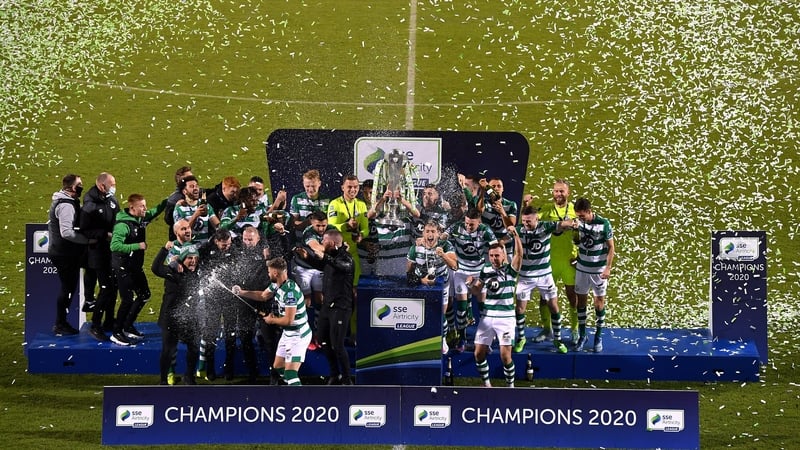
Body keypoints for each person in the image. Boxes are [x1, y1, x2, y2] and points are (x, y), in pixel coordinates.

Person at [234, 258, 311, 386]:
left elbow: (288, 320)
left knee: (291, 373)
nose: (268, 274)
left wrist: (272, 320)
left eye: (269, 272)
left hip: (298, 335)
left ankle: (300, 403)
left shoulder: (290, 293)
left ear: (275, 273)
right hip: (288, 334)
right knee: (278, 366)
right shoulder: (277, 284)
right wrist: (241, 292)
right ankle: (293, 388)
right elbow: (263, 296)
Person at [297, 229, 355, 385]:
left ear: (332, 242)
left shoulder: (347, 257)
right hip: (327, 306)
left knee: (337, 344)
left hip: (341, 307)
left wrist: (326, 256)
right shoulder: (331, 257)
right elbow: (321, 264)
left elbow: (342, 266)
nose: (322, 243)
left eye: (324, 241)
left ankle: (347, 378)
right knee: (322, 341)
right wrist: (307, 257)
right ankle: (334, 374)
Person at [513, 206, 573, 354]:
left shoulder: (545, 227)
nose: (526, 224)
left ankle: (557, 339)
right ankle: (521, 338)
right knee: (520, 309)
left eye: (529, 221)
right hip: (525, 276)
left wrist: (573, 223)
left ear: (537, 219)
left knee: (553, 306)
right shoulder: (519, 230)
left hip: (545, 275)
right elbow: (503, 238)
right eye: (524, 221)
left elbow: (562, 224)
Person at [467, 227, 523, 387]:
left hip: (505, 319)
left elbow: (519, 255)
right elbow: (477, 291)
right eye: (491, 256)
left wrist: (516, 235)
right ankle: (487, 385)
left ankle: (510, 387)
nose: (493, 259)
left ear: (504, 255)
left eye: (497, 255)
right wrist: (471, 284)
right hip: (487, 317)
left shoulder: (511, 270)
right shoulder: (486, 269)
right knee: (478, 354)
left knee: (506, 357)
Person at [109, 193, 167, 346]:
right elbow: (114, 246)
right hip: (123, 266)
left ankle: (127, 325)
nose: (145, 209)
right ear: (132, 207)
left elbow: (154, 211)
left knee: (144, 294)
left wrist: (168, 200)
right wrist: (137, 246)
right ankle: (116, 332)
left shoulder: (140, 219)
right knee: (127, 299)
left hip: (134, 266)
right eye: (142, 206)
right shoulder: (123, 225)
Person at [444, 207, 497, 352]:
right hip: (461, 271)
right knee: (461, 308)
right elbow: (443, 236)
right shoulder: (457, 226)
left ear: (479, 222)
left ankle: (486, 339)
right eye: (466, 223)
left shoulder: (485, 230)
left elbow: (495, 249)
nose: (468, 226)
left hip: (479, 272)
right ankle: (462, 339)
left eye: (471, 224)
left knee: (483, 307)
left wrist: (490, 268)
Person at [534, 179, 580, 343]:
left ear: (568, 193)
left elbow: (584, 234)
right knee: (544, 297)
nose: (558, 194)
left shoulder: (576, 209)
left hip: (569, 261)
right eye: (556, 191)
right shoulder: (546, 209)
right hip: (550, 260)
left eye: (562, 191)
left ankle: (575, 330)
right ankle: (547, 329)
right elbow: (532, 221)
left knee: (572, 296)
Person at [152, 242, 203, 385]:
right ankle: (163, 380)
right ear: (182, 258)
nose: (193, 261)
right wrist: (164, 249)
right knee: (168, 350)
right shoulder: (172, 271)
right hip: (170, 318)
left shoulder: (196, 273)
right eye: (189, 258)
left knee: (193, 347)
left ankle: (189, 377)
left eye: (195, 258)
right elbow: (155, 268)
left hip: (189, 318)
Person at [48, 174, 92, 336]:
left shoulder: (67, 201)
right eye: (79, 184)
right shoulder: (66, 205)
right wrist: (87, 241)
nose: (82, 186)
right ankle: (60, 323)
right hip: (64, 254)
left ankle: (89, 300)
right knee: (68, 288)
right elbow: (66, 232)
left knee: (89, 268)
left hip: (65, 252)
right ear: (72, 187)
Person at [407, 220, 458, 353]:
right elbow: (409, 273)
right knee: (422, 314)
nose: (430, 234)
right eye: (427, 231)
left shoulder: (446, 245)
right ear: (423, 233)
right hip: (422, 284)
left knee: (440, 314)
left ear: (438, 234)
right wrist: (420, 280)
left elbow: (455, 266)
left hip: (442, 285)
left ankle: (443, 339)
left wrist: (443, 255)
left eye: (433, 232)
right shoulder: (415, 248)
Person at [80, 172, 120, 341]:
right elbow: (84, 229)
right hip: (98, 252)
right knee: (106, 288)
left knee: (113, 286)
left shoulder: (111, 201)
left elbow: (117, 218)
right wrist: (105, 234)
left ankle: (109, 321)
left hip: (111, 251)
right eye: (112, 183)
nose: (114, 186)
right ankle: (96, 324)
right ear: (102, 186)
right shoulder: (90, 205)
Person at [225, 226, 267, 383]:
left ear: (258, 239)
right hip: (244, 302)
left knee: (269, 338)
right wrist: (234, 285)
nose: (247, 242)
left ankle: (275, 373)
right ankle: (252, 373)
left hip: (263, 301)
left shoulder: (265, 253)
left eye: (250, 239)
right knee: (244, 337)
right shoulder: (237, 253)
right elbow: (231, 273)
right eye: (244, 239)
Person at [572, 197, 615, 353]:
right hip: (582, 269)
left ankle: (598, 335)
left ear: (589, 211)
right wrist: (575, 230)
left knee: (599, 303)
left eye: (582, 216)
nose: (580, 218)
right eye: (578, 216)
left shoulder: (604, 224)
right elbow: (577, 243)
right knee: (581, 303)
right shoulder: (578, 223)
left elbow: (611, 248)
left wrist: (608, 268)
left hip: (598, 271)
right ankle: (583, 335)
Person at [292, 210, 336, 350]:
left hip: (319, 269)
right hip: (303, 268)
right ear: (312, 223)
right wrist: (329, 246)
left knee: (320, 299)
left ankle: (318, 334)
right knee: (306, 300)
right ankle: (306, 334)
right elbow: (317, 247)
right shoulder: (308, 232)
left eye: (324, 225)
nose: (321, 229)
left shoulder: (332, 230)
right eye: (318, 226)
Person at [196, 228, 235, 381]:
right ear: (216, 241)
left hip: (230, 299)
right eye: (224, 245)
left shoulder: (234, 248)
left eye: (229, 244)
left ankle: (229, 368)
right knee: (211, 333)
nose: (227, 247)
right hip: (212, 298)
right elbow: (197, 267)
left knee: (230, 334)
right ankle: (210, 368)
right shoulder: (205, 249)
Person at [327, 175, 369, 286]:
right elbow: (331, 228)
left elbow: (366, 229)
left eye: (355, 187)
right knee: (338, 289)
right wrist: (346, 226)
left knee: (355, 289)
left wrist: (361, 236)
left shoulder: (361, 205)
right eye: (349, 187)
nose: (352, 190)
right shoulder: (335, 204)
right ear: (342, 188)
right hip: (337, 255)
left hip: (353, 254)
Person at [369, 188, 420, 277]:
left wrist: (402, 200)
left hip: (402, 264)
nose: (393, 201)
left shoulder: (406, 218)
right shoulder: (379, 218)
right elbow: (370, 215)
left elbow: (417, 214)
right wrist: (383, 198)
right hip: (383, 264)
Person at [173, 175, 220, 245]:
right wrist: (195, 215)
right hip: (188, 250)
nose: (196, 188)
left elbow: (217, 226)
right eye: (191, 186)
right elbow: (181, 232)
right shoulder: (179, 209)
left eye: (196, 186)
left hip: (204, 248)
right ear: (184, 191)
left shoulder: (205, 205)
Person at [289, 169, 330, 245]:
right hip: (302, 239)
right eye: (307, 186)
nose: (310, 189)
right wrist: (307, 223)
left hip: (322, 240)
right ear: (303, 184)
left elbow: (330, 223)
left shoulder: (327, 200)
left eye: (313, 186)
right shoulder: (296, 199)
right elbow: (293, 223)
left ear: (319, 183)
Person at [480, 178, 517, 258]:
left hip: (505, 250)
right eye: (493, 186)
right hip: (487, 250)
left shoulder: (511, 205)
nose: (496, 188)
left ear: (503, 189)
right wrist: (482, 190)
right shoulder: (484, 203)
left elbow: (510, 227)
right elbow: (479, 211)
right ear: (488, 189)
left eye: (499, 186)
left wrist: (502, 212)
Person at [164, 166, 193, 241]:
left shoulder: (197, 194)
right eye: (190, 178)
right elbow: (168, 220)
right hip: (180, 240)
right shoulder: (174, 200)